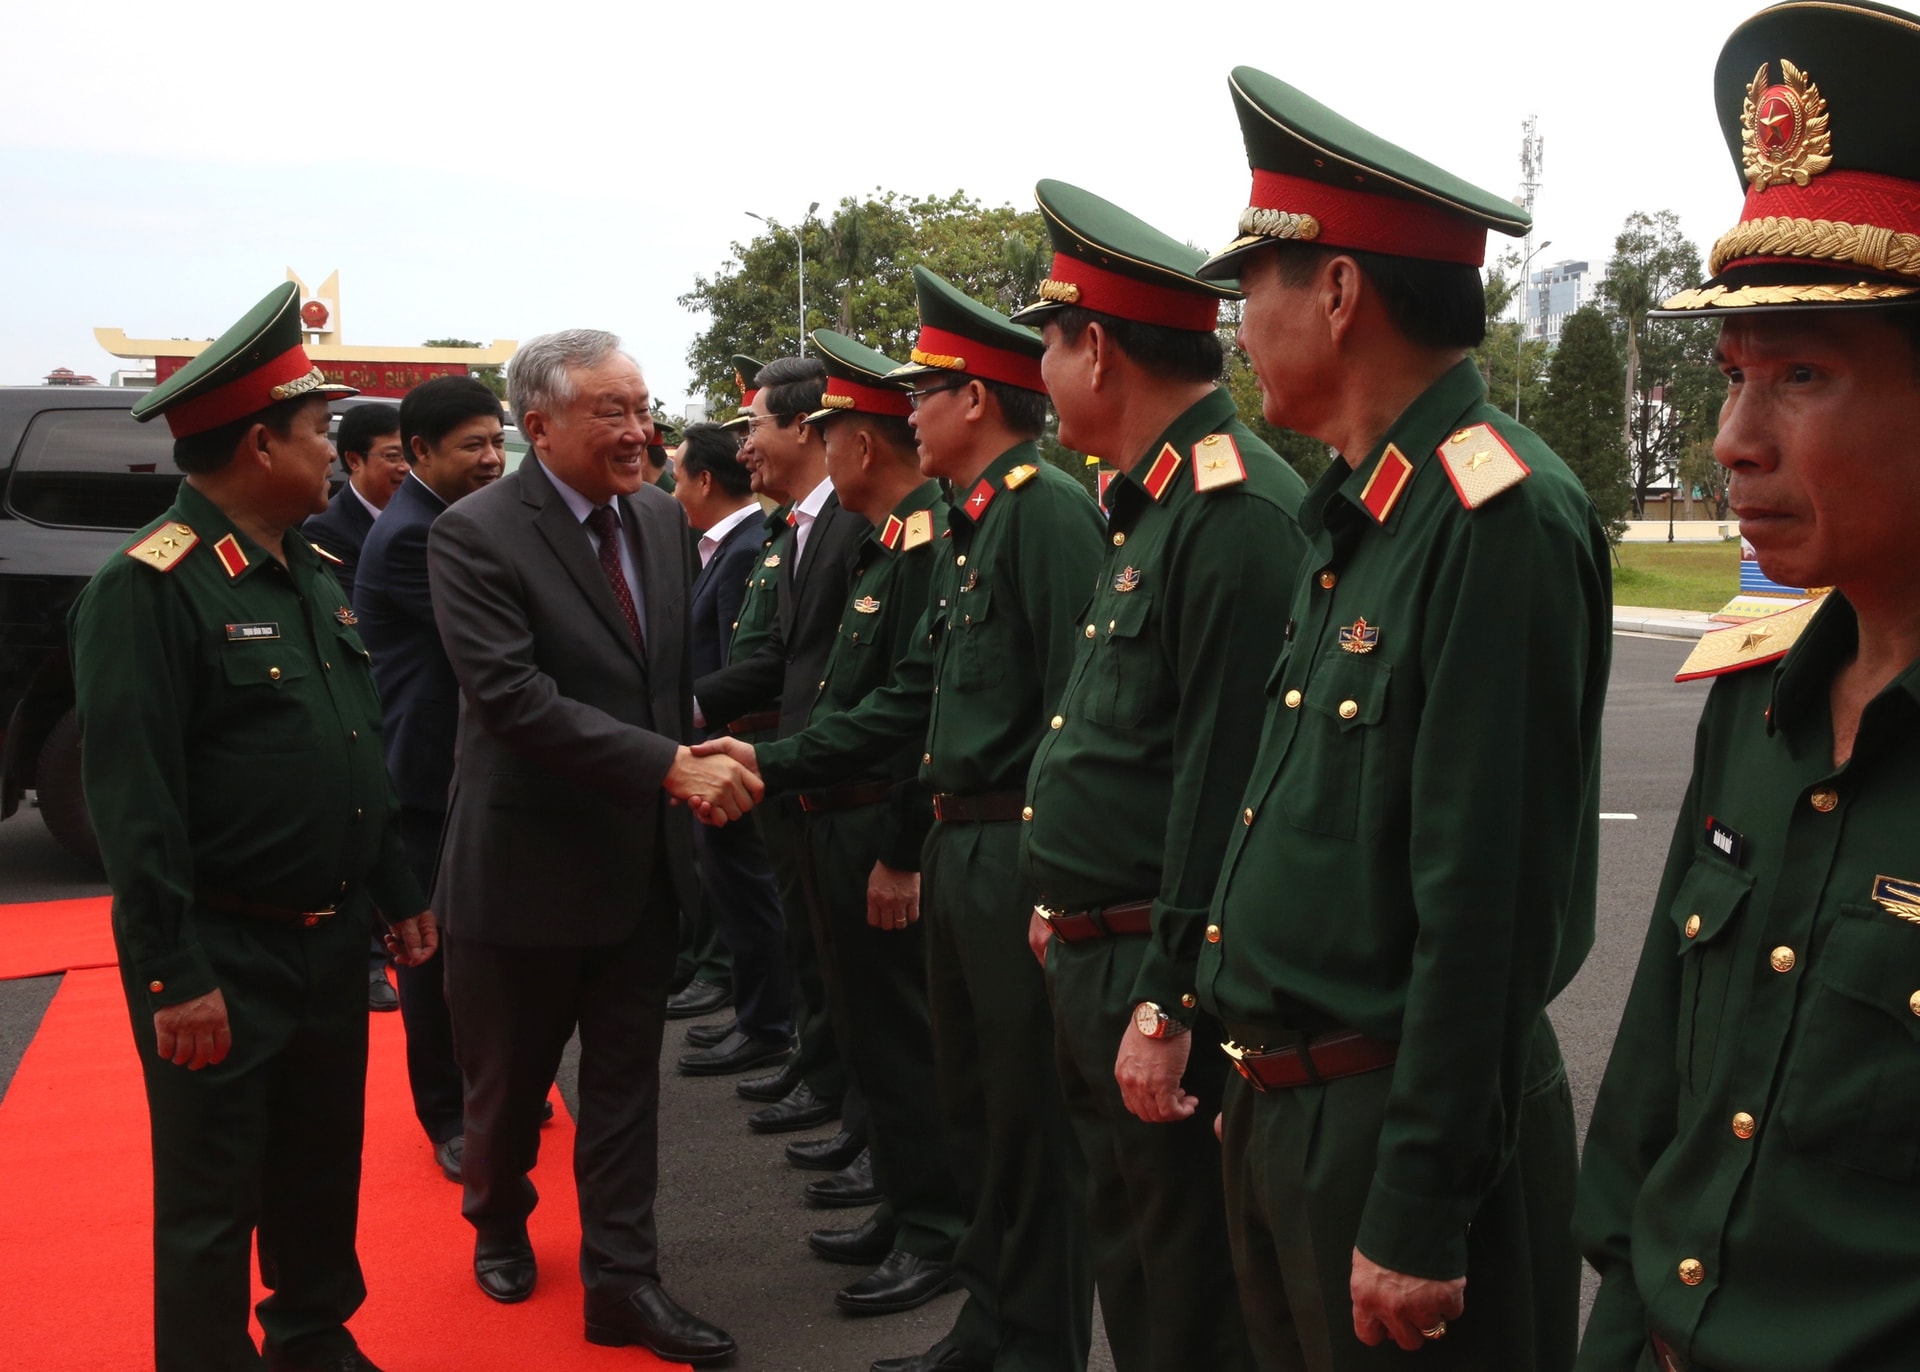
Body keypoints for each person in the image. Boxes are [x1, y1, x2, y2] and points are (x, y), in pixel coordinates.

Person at [1192, 66, 1611, 1370]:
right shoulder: (1367, 511)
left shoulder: (1496, 519)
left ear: (1337, 289)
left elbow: (1486, 907)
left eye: (1248, 294)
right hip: (1298, 1113)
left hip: (1391, 1135)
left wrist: (1421, 1202)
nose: (1234, 331)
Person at [1575, 5, 1920, 1368]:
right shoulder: (1756, 694)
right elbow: (1658, 1072)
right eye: (1729, 377)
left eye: (1804, 375)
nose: (1733, 440)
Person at [700, 265, 1104, 1372]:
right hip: (959, 834)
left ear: (974, 399)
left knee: (1027, 1130)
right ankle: (994, 1322)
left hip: (1013, 847)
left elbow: (1073, 709)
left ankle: (1039, 1344)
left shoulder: (1043, 511)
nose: (898, 410)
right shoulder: (979, 517)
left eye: (920, 390)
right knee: (980, 1110)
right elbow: (923, 697)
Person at [70, 281, 437, 1372]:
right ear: (258, 441)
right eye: (321, 432)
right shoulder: (150, 589)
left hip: (327, 942)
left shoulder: (310, 574)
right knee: (212, 1198)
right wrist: (170, 973)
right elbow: (134, 804)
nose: (334, 452)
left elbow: (350, 744)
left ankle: (313, 1341)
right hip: (221, 951)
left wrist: (397, 889)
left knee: (319, 1170)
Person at [1010, 179, 1307, 1372]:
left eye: (1046, 343)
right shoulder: (1151, 504)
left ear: (1093, 347)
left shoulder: (1234, 513)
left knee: (1190, 1292)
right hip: (1096, 953)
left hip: (1152, 970)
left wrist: (1169, 997)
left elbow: (1221, 781)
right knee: (1131, 1261)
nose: (1040, 374)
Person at [426, 328, 756, 1365]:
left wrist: (701, 754)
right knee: (511, 1087)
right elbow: (514, 699)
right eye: (610, 411)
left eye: (642, 406)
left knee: (623, 1090)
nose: (637, 430)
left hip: (639, 868)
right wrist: (668, 763)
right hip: (521, 872)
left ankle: (623, 1281)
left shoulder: (659, 518)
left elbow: (662, 679)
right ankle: (497, 1216)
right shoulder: (474, 534)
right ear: (540, 426)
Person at [776, 327, 968, 1317]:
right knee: (873, 1039)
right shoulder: (896, 538)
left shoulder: (932, 537)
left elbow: (914, 715)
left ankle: (936, 1228)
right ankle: (908, 1205)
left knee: (902, 1043)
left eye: (830, 430)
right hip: (834, 818)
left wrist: (899, 849)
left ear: (857, 442)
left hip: (877, 828)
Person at [691, 356, 866, 1164]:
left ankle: (872, 1134)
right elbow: (771, 656)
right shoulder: (794, 524)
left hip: (843, 781)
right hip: (798, 774)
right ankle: (829, 1080)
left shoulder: (859, 521)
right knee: (817, 952)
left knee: (871, 988)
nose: (744, 448)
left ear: (807, 426)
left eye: (753, 427)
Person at [352, 374, 507, 1183]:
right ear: (419, 453)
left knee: (482, 946)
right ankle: (447, 1115)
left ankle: (488, 1089)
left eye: (497, 441)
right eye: (472, 446)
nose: (492, 459)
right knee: (430, 954)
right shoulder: (416, 534)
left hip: (470, 772)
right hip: (427, 779)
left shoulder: (447, 517)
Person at [671, 420, 795, 1089]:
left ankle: (766, 1023)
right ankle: (752, 1012)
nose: (671, 486)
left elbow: (746, 663)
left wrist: (689, 715)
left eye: (678, 473)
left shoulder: (750, 545)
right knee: (731, 888)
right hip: (714, 744)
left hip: (735, 748)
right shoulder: (727, 545)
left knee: (749, 891)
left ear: (704, 481)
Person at [302, 400, 410, 1012]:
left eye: (407, 455)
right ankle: (370, 961)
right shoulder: (327, 531)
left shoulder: (428, 515)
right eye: (391, 456)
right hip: (364, 702)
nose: (403, 468)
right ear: (354, 460)